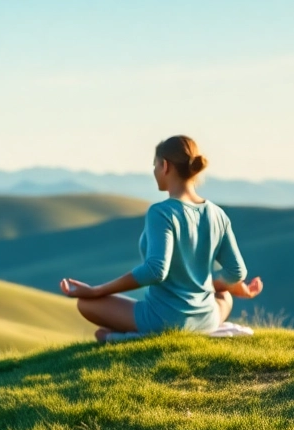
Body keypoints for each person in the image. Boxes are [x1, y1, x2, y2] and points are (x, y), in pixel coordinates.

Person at [60, 135, 263, 342]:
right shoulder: (217, 214)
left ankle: (133, 336)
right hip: (207, 320)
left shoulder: (161, 212)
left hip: (165, 320)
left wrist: (96, 291)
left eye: (155, 165)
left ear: (165, 166)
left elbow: (155, 270)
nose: (154, 171)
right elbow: (237, 271)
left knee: (86, 304)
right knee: (225, 296)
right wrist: (231, 288)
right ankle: (134, 334)